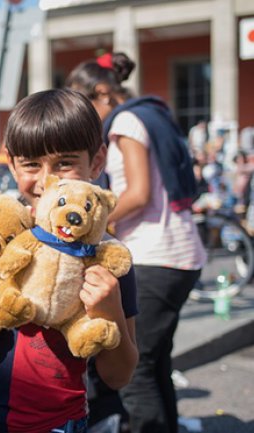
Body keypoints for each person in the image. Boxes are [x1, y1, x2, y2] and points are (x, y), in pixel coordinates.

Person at [0, 89, 139, 433]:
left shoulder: (108, 259)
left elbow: (118, 376)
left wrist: (111, 311)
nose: (47, 180)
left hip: (56, 425)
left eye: (65, 163)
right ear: (12, 163)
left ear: (96, 162)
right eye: (32, 164)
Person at [66, 52, 206, 433]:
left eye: (84, 106)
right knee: (157, 360)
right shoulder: (153, 113)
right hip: (180, 253)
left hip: (155, 254)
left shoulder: (125, 122)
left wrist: (97, 223)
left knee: (136, 367)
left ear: (102, 94)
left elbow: (140, 193)